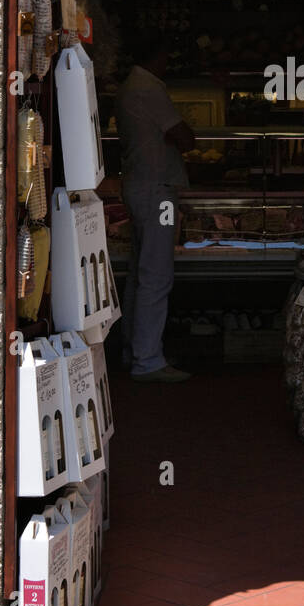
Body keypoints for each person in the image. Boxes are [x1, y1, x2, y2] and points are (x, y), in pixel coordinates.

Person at [115, 33, 195, 381]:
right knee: (156, 275)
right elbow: (184, 138)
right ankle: (148, 360)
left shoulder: (131, 86)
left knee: (139, 275)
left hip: (140, 185)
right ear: (158, 54)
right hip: (157, 191)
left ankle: (133, 349)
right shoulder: (149, 87)